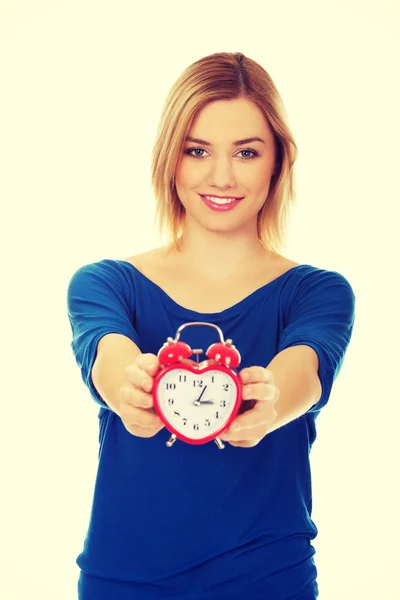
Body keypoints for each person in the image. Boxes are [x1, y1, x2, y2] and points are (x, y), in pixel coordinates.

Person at [67, 52, 356, 600]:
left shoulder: (318, 292)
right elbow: (110, 360)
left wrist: (267, 405)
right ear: (170, 159)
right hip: (124, 579)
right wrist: (133, 392)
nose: (221, 176)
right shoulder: (104, 283)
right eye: (197, 150)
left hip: (269, 578)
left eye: (246, 152)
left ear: (277, 163)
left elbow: (305, 377)